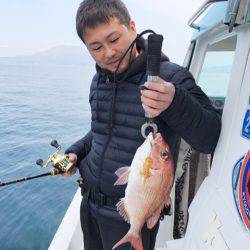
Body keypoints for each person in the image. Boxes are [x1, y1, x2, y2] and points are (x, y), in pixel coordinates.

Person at [64, 0, 221, 249]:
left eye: (114, 39)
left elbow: (210, 137)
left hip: (133, 211)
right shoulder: (99, 81)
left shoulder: (171, 77)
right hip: (90, 205)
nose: (108, 53)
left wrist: (175, 100)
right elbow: (99, 132)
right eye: (95, 47)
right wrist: (75, 152)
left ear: (133, 27)